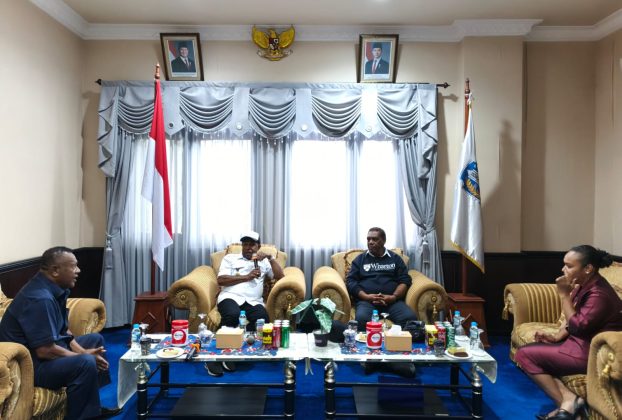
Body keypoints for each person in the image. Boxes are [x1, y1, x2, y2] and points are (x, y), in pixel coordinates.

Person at [0, 247, 121, 420]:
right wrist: (83, 356)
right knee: (85, 363)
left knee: (95, 340)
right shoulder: (39, 299)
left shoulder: (55, 289)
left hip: (45, 353)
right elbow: (45, 351)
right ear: (55, 270)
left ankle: (91, 406)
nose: (78, 271)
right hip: (30, 367)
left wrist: (83, 350)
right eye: (73, 266)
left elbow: (63, 330)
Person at [515, 245, 622, 420]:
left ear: (588, 268)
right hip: (579, 344)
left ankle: (566, 408)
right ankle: (570, 401)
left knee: (524, 355)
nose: (563, 269)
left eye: (569, 266)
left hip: (593, 354)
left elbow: (578, 327)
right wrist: (556, 336)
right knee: (533, 350)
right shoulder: (584, 284)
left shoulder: (599, 295)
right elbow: (575, 317)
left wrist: (564, 295)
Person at [205, 231, 284, 377]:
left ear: (258, 247)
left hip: (253, 301)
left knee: (262, 319)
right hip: (230, 297)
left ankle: (241, 351)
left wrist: (271, 258)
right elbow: (221, 280)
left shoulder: (264, 262)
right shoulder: (230, 258)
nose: (248, 247)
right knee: (232, 315)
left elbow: (280, 276)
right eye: (245, 244)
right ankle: (215, 357)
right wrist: (246, 277)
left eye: (252, 244)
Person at [346, 227, 418, 377]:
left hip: (391, 301)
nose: (370, 242)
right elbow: (351, 282)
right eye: (368, 239)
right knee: (362, 320)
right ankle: (371, 359)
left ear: (383, 241)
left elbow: (405, 280)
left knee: (409, 319)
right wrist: (366, 296)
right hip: (367, 301)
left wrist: (394, 296)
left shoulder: (394, 258)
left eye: (375, 239)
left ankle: (398, 356)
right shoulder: (360, 260)